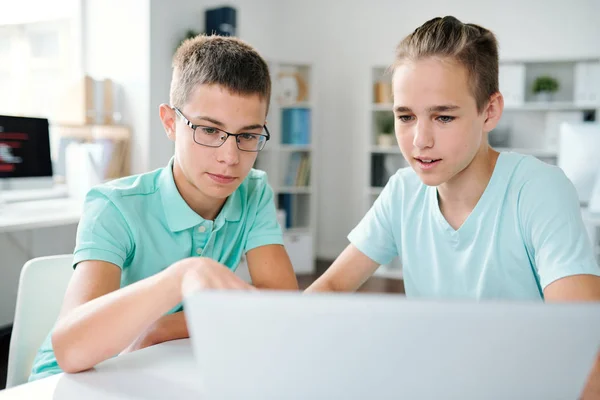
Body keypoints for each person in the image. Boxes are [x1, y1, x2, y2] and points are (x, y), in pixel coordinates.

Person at [305, 16, 600, 398]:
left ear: (489, 111)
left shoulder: (538, 189)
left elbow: (584, 343)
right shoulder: (403, 191)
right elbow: (330, 285)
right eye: (405, 116)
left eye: (443, 117)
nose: (420, 140)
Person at [29, 35, 298, 381]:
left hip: (164, 365)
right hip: (75, 380)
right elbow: (69, 350)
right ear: (170, 122)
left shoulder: (252, 191)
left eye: (247, 136)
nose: (229, 158)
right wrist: (182, 277)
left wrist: (161, 327)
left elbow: (282, 304)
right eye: (208, 130)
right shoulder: (114, 206)